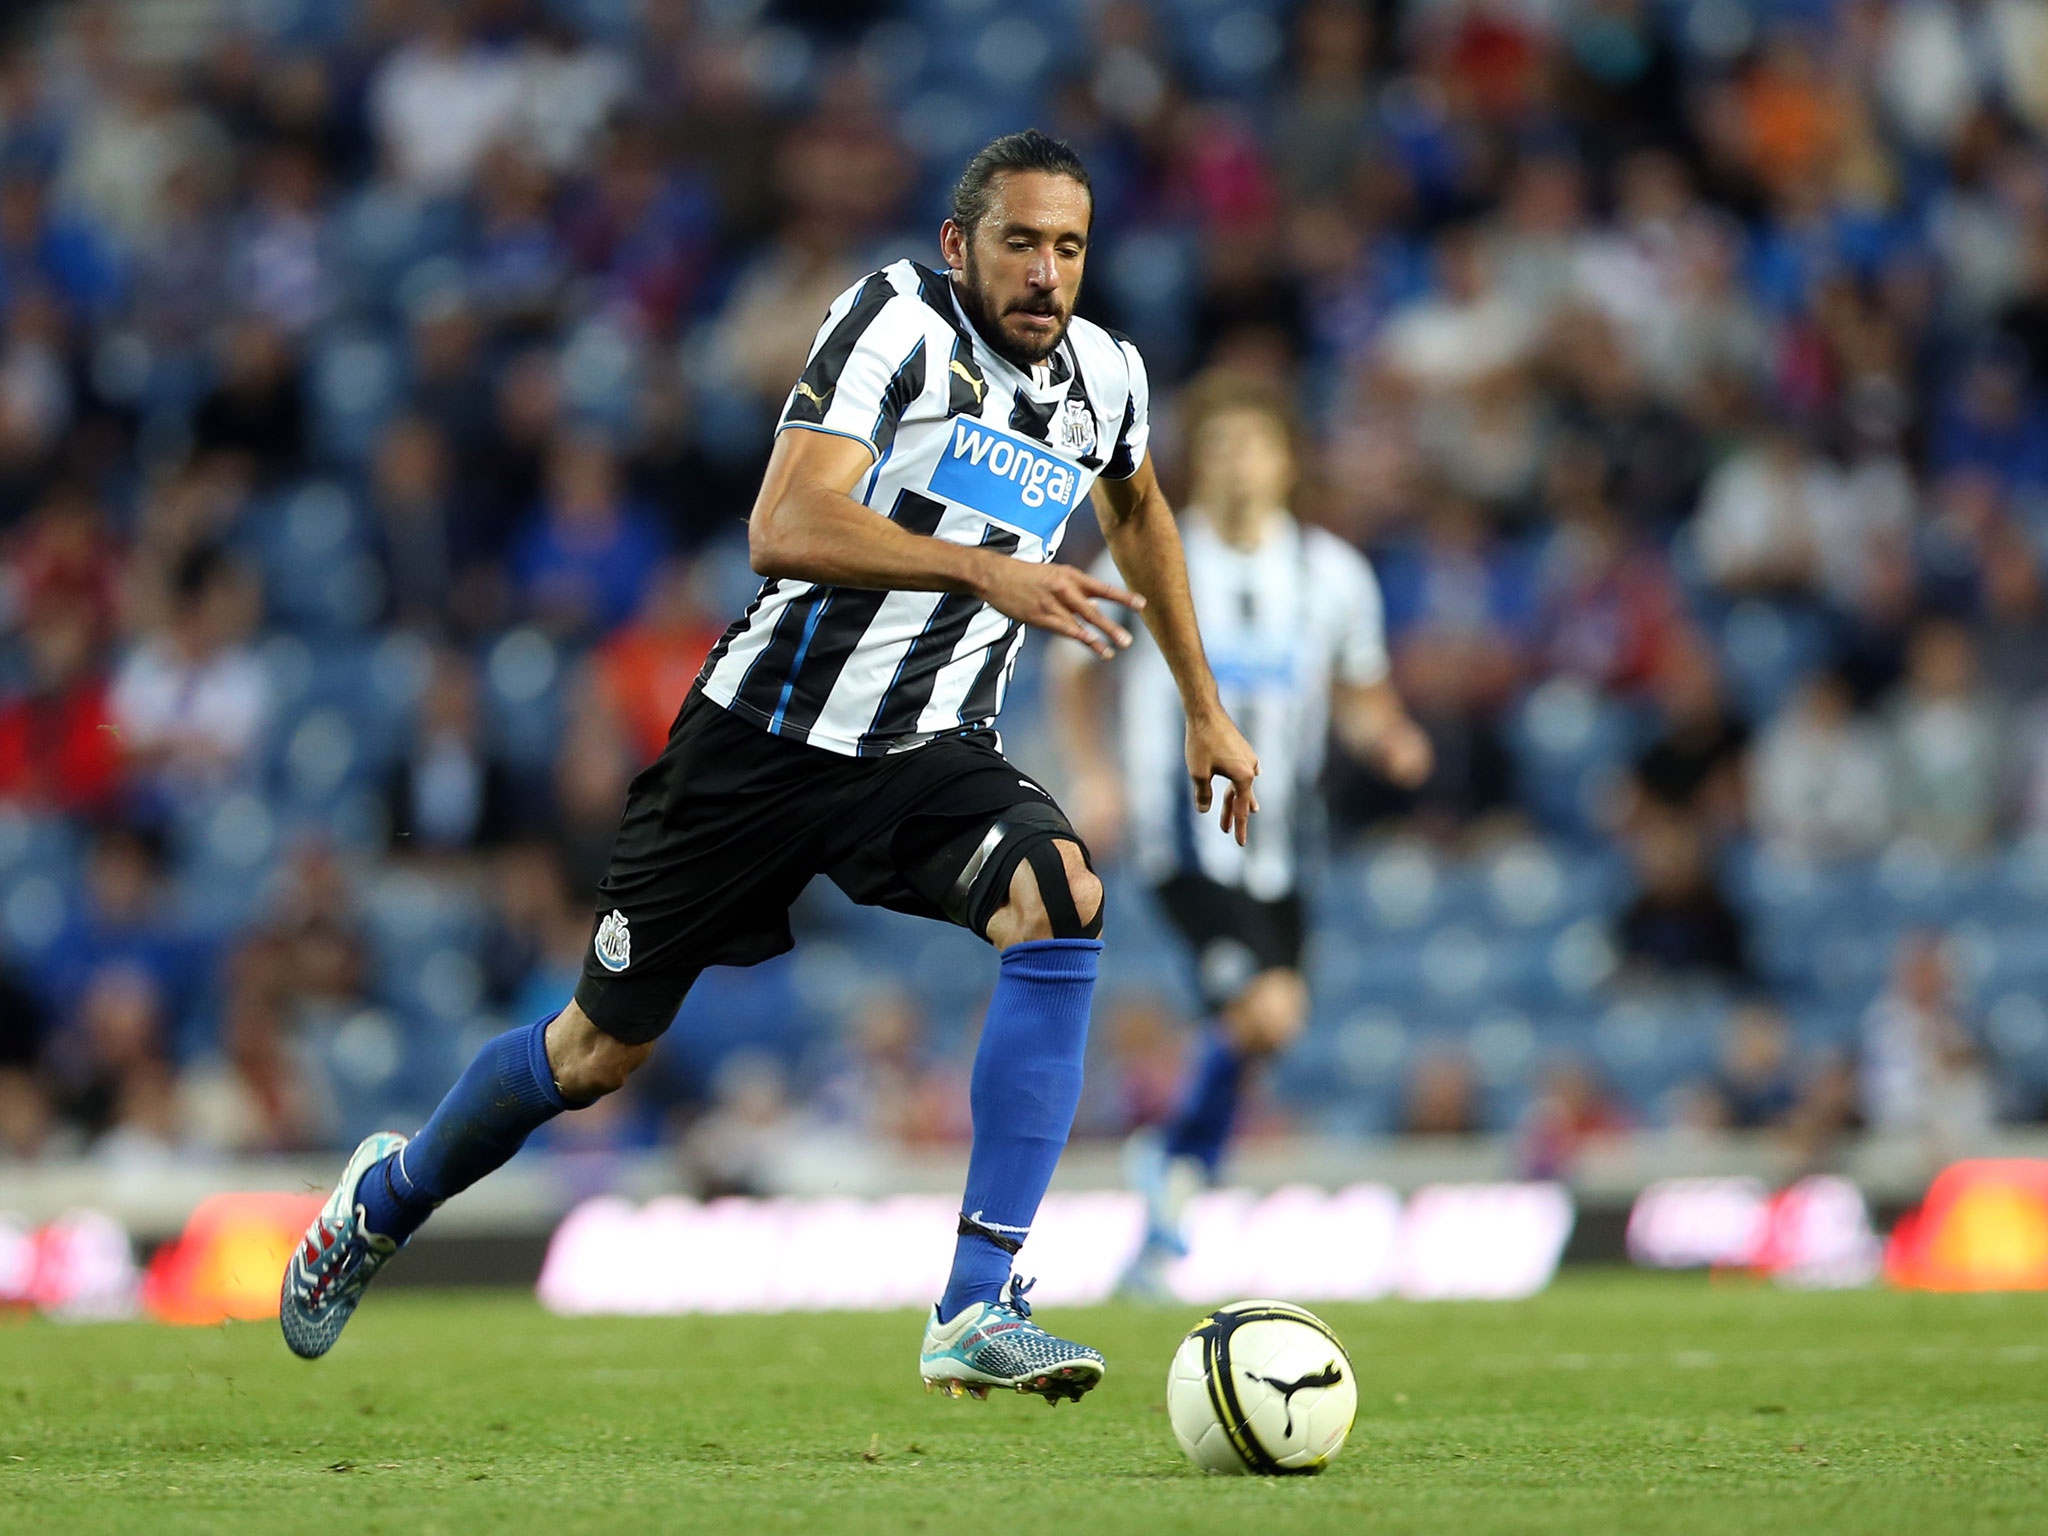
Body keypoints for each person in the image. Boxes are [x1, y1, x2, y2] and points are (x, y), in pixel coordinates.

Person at [280, 132, 1259, 1406]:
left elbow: (1139, 509)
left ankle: (975, 1302)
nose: (1044, 272)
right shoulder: (894, 323)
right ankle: (386, 1199)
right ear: (959, 244)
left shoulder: (1105, 377)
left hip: (924, 751)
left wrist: (1202, 706)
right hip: (758, 744)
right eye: (1018, 241)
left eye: (1067, 247)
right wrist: (981, 568)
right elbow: (782, 523)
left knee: (1061, 895)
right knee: (595, 1054)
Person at [1050, 371, 1431, 1297]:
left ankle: (1173, 1178)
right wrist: (1094, 773)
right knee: (1263, 1010)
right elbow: (1073, 668)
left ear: (1288, 462)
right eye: (1217, 447)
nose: (1235, 465)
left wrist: (1388, 735)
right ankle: (1171, 1162)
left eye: (1253, 446)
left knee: (1270, 1022)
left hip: (1284, 838)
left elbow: (1358, 689)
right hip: (1180, 830)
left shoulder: (1332, 573)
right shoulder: (1150, 553)